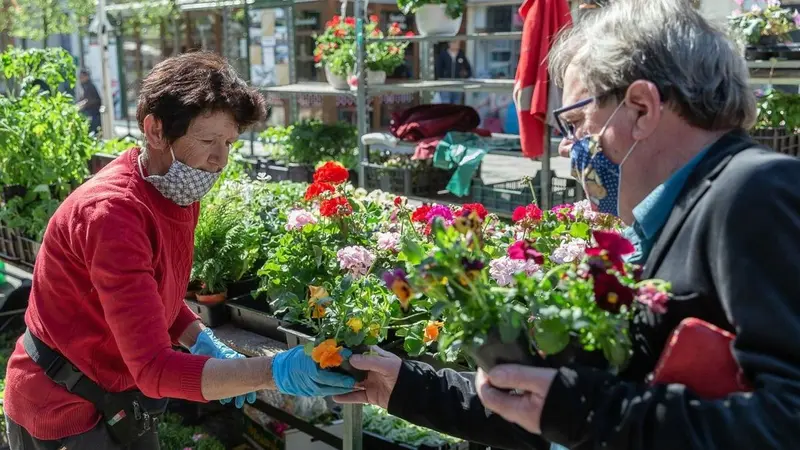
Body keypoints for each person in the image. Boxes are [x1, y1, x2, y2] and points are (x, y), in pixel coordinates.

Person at [335, 1, 800, 449]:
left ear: (641, 107)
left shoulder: (754, 192)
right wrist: (406, 387)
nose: (566, 146)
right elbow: (554, 409)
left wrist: (586, 411)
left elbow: (786, 422)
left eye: (576, 123)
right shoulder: (657, 223)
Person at [3, 52, 356, 450]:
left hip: (110, 397)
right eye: (207, 141)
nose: (220, 159)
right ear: (155, 130)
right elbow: (154, 369)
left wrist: (200, 337)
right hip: (61, 408)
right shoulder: (113, 214)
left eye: (228, 142)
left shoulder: (173, 192)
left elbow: (154, 297)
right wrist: (274, 371)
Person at [77, 69, 102, 134]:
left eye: (82, 77)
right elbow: (84, 98)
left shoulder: (89, 86)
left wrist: (81, 106)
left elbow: (90, 100)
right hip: (91, 112)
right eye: (80, 77)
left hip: (94, 113)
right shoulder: (85, 86)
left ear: (86, 77)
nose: (80, 79)